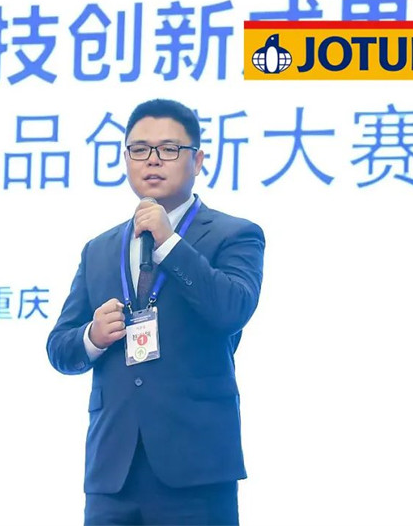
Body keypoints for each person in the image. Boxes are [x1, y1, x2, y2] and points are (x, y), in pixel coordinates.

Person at [46, 98, 265, 525]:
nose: (152, 160)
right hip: (113, 472)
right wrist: (92, 336)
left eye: (168, 149)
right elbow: (60, 348)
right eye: (140, 149)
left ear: (197, 160)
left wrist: (170, 243)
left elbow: (231, 310)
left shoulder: (235, 234)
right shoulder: (99, 249)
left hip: (196, 469)